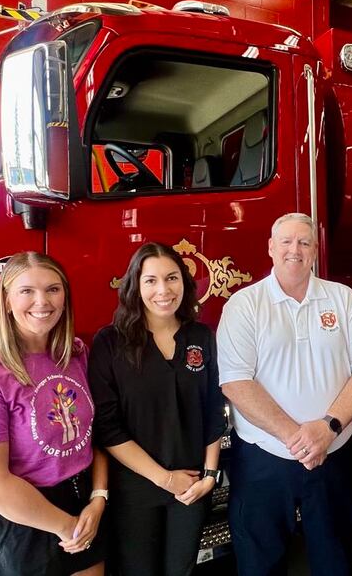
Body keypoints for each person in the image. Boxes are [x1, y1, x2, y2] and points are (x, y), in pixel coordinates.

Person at [216, 212, 352, 576]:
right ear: (271, 248)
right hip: (264, 458)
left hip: (334, 452)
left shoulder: (344, 299)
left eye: (304, 242)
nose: (296, 250)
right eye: (287, 242)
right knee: (260, 560)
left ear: (315, 251)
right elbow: (235, 382)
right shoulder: (244, 305)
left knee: (334, 556)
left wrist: (327, 428)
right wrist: (298, 438)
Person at [0, 251, 107, 576]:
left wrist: (98, 499)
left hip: (80, 506)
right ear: (5, 300)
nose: (42, 301)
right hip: (13, 522)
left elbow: (94, 438)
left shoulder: (74, 354)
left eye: (53, 289)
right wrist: (65, 526)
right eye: (27, 291)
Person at [88, 242, 225, 576]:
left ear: (185, 283)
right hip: (134, 489)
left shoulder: (201, 337)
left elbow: (212, 410)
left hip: (191, 486)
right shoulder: (110, 342)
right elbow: (107, 427)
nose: (163, 290)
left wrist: (209, 476)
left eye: (172, 278)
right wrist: (164, 479)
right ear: (135, 286)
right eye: (150, 281)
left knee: (181, 570)